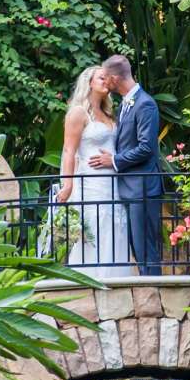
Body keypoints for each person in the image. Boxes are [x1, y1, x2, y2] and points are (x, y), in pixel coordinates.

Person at [90, 53, 165, 277]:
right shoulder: (125, 104)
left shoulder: (145, 104)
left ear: (114, 78)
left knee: (145, 249)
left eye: (106, 77)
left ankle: (155, 295)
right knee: (137, 247)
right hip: (130, 188)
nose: (104, 82)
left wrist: (112, 160)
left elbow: (146, 148)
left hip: (142, 188)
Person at [57, 64, 134, 278]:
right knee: (95, 227)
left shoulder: (109, 114)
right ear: (88, 82)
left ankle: (116, 281)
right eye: (101, 77)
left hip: (112, 182)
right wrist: (68, 185)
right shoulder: (78, 113)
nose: (106, 81)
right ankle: (90, 280)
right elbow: (68, 151)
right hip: (91, 182)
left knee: (115, 225)